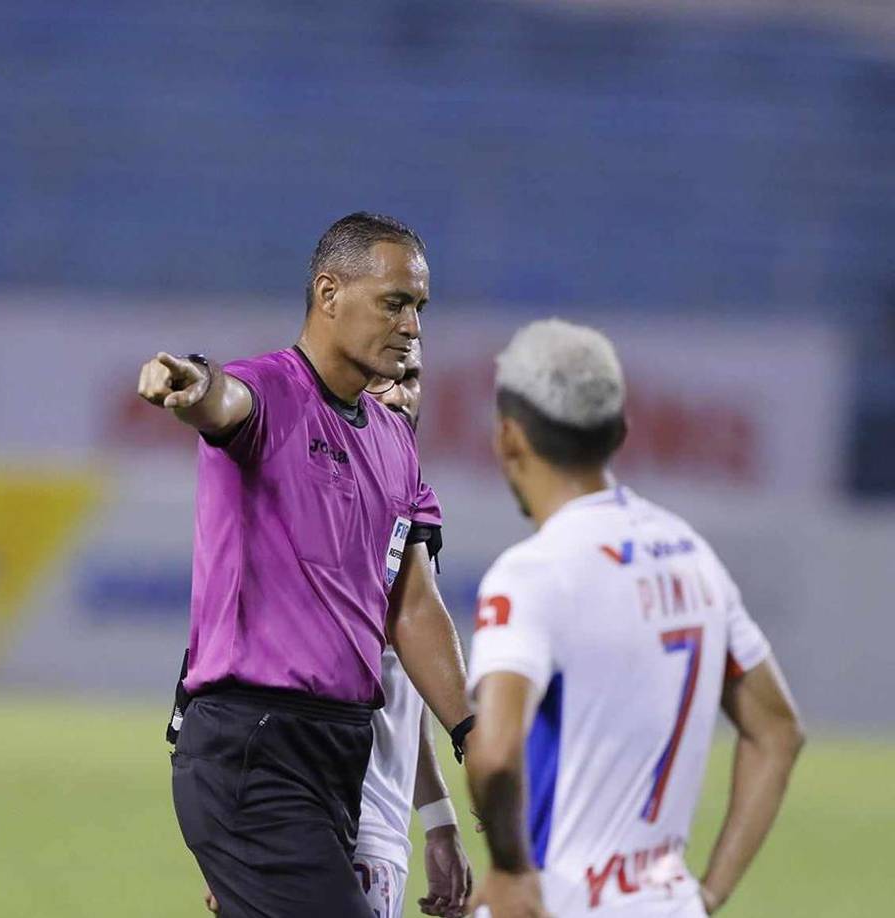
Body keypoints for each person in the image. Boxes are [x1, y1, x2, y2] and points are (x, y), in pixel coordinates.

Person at [138, 213, 473, 918]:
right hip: (254, 744)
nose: (413, 327)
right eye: (394, 302)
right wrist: (192, 386)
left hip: (337, 754)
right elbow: (223, 400)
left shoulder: (392, 440)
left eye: (419, 308)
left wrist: (473, 729)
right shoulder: (273, 391)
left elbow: (412, 608)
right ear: (328, 294)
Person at [462, 319, 804, 918]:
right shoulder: (690, 554)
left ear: (508, 438)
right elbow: (777, 731)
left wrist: (511, 870)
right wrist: (709, 894)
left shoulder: (535, 573)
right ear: (621, 431)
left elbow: (492, 753)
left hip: (561, 902)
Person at [200, 342, 474, 918]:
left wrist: (437, 817)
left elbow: (404, 682)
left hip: (374, 821)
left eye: (412, 378)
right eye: (382, 380)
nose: (399, 393)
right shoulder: (325, 504)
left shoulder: (406, 503)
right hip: (341, 821)